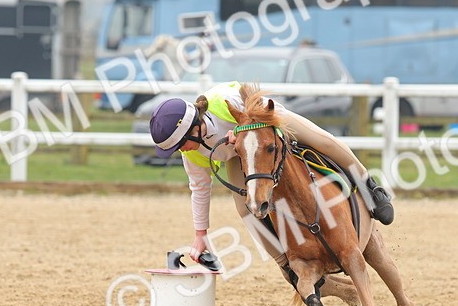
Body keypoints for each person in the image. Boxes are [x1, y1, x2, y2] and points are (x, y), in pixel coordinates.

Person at [149, 81, 395, 265]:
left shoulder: (223, 101)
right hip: (237, 153)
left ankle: (370, 187)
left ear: (193, 128)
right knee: (245, 209)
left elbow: (259, 115)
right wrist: (200, 234)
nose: (181, 151)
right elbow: (200, 190)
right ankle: (285, 262)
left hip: (265, 122)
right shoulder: (191, 154)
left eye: (181, 144)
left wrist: (243, 128)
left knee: (325, 142)